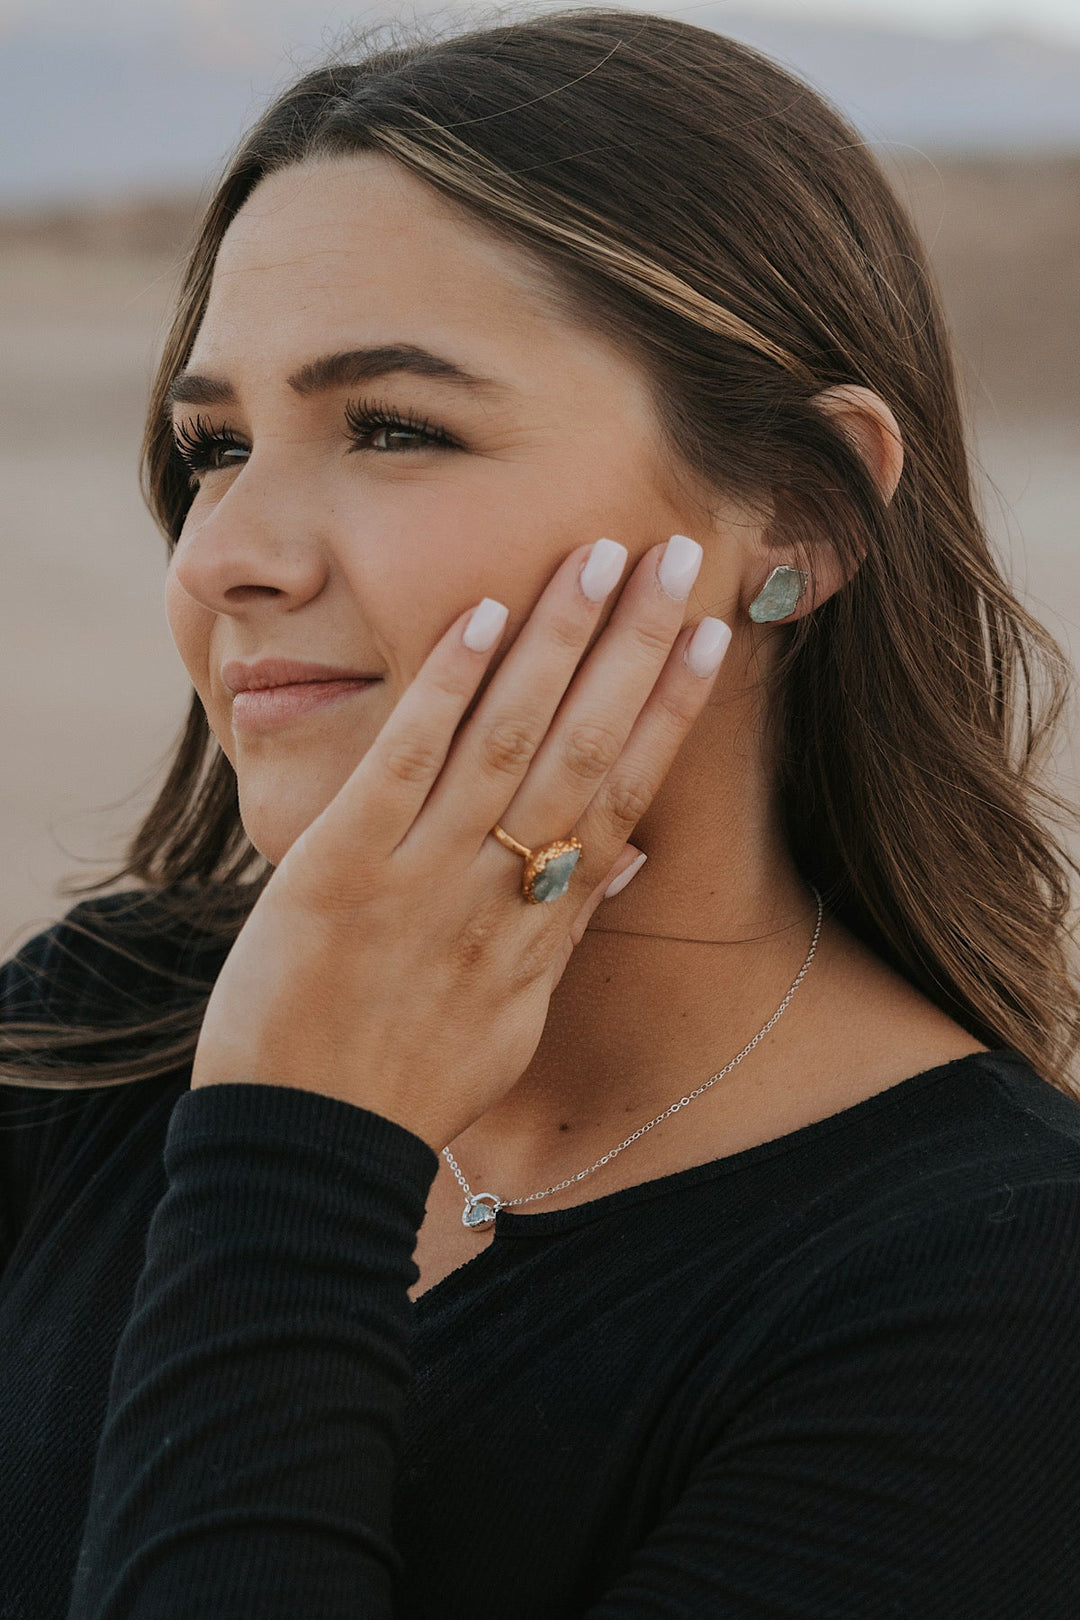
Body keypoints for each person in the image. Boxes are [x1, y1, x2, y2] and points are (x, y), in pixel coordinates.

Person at [2, 8, 1079, 1617]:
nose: (227, 554)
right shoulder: (95, 1029)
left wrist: (297, 1153)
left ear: (806, 509)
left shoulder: (999, 1296)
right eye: (213, 447)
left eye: (394, 427)